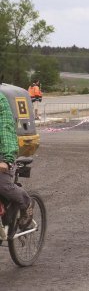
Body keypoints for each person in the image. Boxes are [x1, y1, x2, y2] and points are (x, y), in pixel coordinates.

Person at [0, 92, 33, 230]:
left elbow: (5, 129)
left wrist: (7, 159)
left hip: (3, 151)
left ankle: (26, 203)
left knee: (2, 184)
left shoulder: (0, 101)